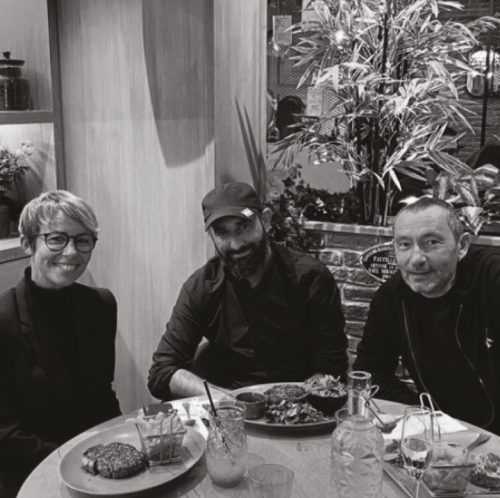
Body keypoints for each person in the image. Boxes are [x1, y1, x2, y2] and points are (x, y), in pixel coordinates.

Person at [148, 182, 347, 400]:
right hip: (229, 407)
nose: (235, 244)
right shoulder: (203, 287)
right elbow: (162, 372)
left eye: (244, 226)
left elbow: (331, 368)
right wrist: (228, 400)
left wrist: (289, 402)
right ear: (212, 236)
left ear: (266, 221)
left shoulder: (310, 279)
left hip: (302, 404)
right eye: (222, 232)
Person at [0, 190, 121, 497]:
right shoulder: (3, 319)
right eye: (56, 239)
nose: (71, 252)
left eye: (83, 240)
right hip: (28, 474)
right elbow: (5, 434)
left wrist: (124, 444)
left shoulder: (101, 305)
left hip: (97, 465)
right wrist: (80, 462)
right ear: (27, 243)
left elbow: (102, 394)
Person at [354, 196, 500, 433]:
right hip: (440, 432)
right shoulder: (391, 298)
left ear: (462, 246)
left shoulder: (491, 279)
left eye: (432, 242)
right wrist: (420, 413)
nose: (416, 259)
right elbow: (371, 374)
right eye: (404, 244)